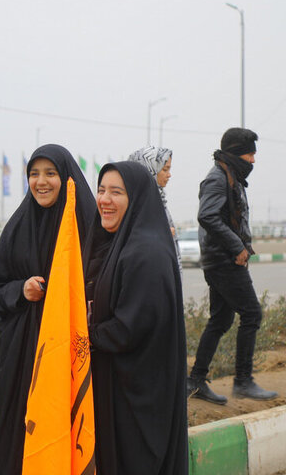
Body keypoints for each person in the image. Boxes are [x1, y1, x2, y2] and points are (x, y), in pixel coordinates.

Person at [0, 144, 96, 475]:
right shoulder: (17, 229)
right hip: (22, 361)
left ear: (68, 178)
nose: (40, 182)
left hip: (71, 359)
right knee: (18, 439)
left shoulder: (87, 228)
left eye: (50, 173)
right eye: (34, 174)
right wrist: (20, 290)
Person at [83, 161, 188, 475]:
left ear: (138, 198)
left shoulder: (146, 252)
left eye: (117, 192)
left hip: (140, 398)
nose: (104, 199)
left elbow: (129, 328)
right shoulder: (123, 243)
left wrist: (83, 333)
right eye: (101, 190)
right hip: (129, 388)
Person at [187, 127, 277, 405]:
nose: (253, 160)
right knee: (252, 314)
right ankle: (243, 381)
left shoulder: (230, 176)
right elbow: (208, 216)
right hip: (223, 262)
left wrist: (243, 245)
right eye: (250, 153)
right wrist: (236, 246)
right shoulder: (217, 179)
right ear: (237, 153)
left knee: (221, 320)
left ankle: (195, 380)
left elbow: (230, 219)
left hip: (221, 259)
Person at [128, 146, 182, 273]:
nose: (169, 175)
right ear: (150, 170)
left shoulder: (159, 198)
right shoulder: (139, 203)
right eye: (165, 169)